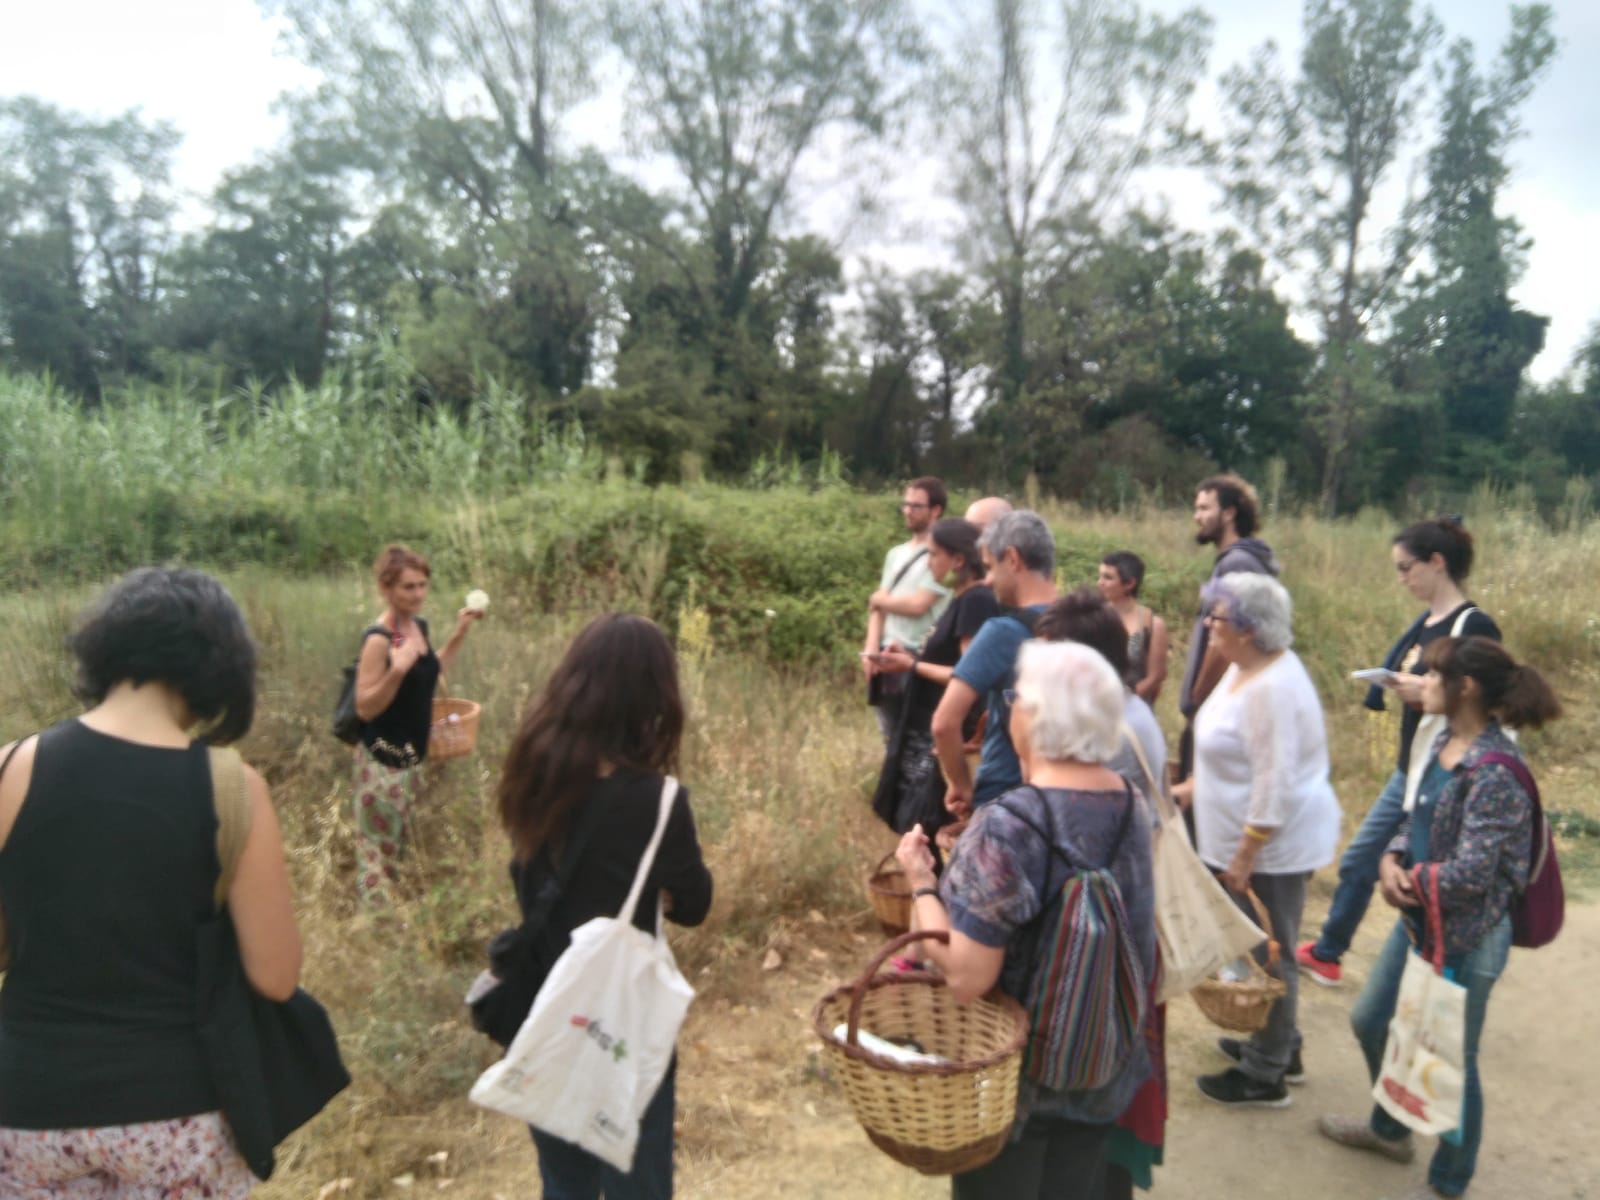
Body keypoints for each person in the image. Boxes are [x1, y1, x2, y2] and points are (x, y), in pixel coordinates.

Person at [0, 567, 301, 1198]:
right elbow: (276, 975)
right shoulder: (232, 789)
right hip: (178, 1112)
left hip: (28, 1105)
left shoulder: (13, 768)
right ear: (219, 670)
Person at [896, 640, 1157, 1200]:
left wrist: (920, 879)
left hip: (1014, 1092)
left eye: (1014, 698)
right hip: (1101, 1070)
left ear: (1037, 715)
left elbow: (967, 976)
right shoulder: (1131, 805)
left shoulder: (1009, 824)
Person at [1318, 637, 1560, 1200]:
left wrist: (1409, 881)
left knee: (1454, 1059)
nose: (1418, 684)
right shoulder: (1442, 738)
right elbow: (1415, 820)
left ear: (1465, 688)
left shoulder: (1496, 770)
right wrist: (1390, 858)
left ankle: (1449, 1181)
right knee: (1371, 1020)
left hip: (1469, 940)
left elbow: (1474, 872)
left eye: (1429, 676)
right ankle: (1392, 1129)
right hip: (1421, 924)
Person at [497, 613, 713, 1200]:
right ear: (654, 695)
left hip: (546, 1002)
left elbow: (528, 871)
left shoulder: (533, 766)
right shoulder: (659, 800)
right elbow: (694, 902)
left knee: (564, 1178)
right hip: (621, 1015)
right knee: (635, 1177)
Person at [1297, 518, 1499, 987]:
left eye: (1406, 567)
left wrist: (1425, 689)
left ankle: (1414, 964)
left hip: (1443, 774)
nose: (1401, 578)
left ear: (1437, 562)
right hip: (1411, 768)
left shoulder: (1474, 625)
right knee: (1369, 862)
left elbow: (1483, 699)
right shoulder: (1424, 624)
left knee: (1397, 869)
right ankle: (1334, 953)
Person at [1172, 572, 1339, 1108]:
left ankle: (1267, 1072)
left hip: (1271, 846)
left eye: (1215, 618)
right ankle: (1278, 1042)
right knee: (1258, 945)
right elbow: (1229, 750)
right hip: (1242, 837)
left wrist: (1246, 854)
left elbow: (1274, 781)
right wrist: (1191, 790)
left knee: (1271, 951)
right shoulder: (1246, 667)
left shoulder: (1272, 685)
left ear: (1247, 628)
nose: (1207, 626)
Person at [1034, 589, 1167, 1199]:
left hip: (1099, 966)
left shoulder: (1107, 733)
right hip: (1124, 950)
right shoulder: (1128, 713)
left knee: (1092, 1129)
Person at [351, 544, 484, 902]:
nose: (418, 594)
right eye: (408, 587)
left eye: (422, 585)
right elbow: (364, 707)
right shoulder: (380, 639)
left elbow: (429, 672)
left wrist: (459, 633)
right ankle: (375, 934)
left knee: (402, 847)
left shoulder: (416, 627)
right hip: (382, 759)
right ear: (386, 589)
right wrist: (396, 671)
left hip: (411, 758)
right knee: (378, 856)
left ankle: (395, 925)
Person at [870, 518, 998, 835]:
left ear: (958, 559)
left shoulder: (976, 601)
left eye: (934, 555)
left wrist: (911, 666)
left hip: (945, 725)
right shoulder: (963, 597)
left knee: (933, 819)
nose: (928, 563)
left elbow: (969, 673)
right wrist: (911, 657)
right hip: (926, 722)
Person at [931, 510, 1059, 820]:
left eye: (990, 567)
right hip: (1064, 796)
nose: (988, 580)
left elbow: (944, 724)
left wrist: (961, 786)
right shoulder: (1086, 620)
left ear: (1013, 559)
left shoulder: (1003, 631)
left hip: (1006, 798)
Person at [1175, 475, 1279, 791]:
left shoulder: (1237, 564)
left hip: (1218, 713)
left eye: (1205, 508)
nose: (1197, 516)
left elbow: (1228, 638)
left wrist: (1198, 698)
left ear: (1230, 513)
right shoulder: (1237, 561)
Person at [864, 477, 952, 742]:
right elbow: (877, 608)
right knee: (889, 738)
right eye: (905, 504)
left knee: (919, 739)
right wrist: (871, 651)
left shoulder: (942, 555)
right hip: (886, 653)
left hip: (920, 655)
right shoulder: (895, 554)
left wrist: (880, 601)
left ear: (935, 510)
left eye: (916, 505)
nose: (908, 511)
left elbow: (918, 605)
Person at [1097, 552, 1168, 704]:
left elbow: (1156, 676)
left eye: (1108, 578)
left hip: (1133, 705)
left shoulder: (1152, 624)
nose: (1100, 583)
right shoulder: (1095, 616)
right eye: (1100, 576)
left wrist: (1127, 701)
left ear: (1129, 583)